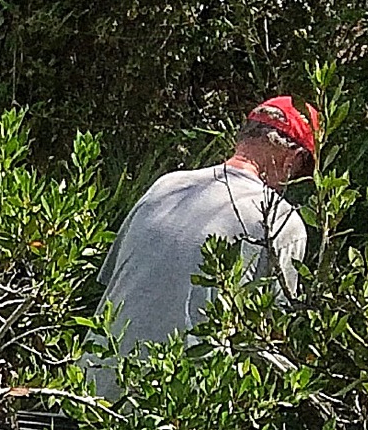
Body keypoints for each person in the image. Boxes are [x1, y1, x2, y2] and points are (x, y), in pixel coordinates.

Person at [91, 95, 319, 368]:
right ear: (294, 158)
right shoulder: (282, 221)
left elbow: (113, 282)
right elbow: (267, 338)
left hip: (91, 379)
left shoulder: (166, 185)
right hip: (179, 388)